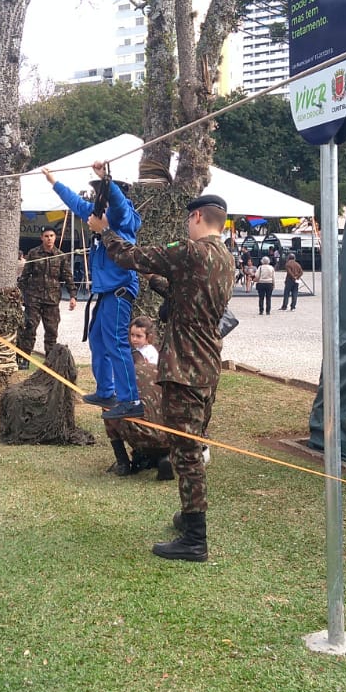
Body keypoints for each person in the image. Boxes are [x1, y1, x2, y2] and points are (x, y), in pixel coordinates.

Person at [89, 192, 235, 563]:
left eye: (189, 220)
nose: (187, 226)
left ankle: (195, 540)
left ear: (198, 216)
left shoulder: (191, 251)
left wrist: (104, 232)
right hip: (207, 365)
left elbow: (129, 256)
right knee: (193, 444)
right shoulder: (225, 258)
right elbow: (188, 296)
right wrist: (157, 281)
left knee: (185, 452)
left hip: (184, 369)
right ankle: (189, 517)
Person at [42, 161, 143, 418]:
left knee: (117, 343)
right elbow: (76, 203)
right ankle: (106, 390)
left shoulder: (121, 216)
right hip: (108, 292)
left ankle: (131, 400)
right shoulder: (100, 213)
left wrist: (106, 180)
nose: (100, 201)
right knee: (98, 339)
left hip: (120, 290)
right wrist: (54, 182)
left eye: (103, 196)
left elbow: (118, 203)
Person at [17, 227, 77, 361]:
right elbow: (25, 276)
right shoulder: (33, 253)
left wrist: (73, 296)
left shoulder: (60, 256)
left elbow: (68, 277)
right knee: (29, 328)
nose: (49, 239)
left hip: (52, 299)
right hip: (34, 299)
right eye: (46, 236)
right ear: (41, 238)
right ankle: (24, 359)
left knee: (51, 332)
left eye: (51, 236)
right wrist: (19, 294)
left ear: (55, 237)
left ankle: (50, 361)